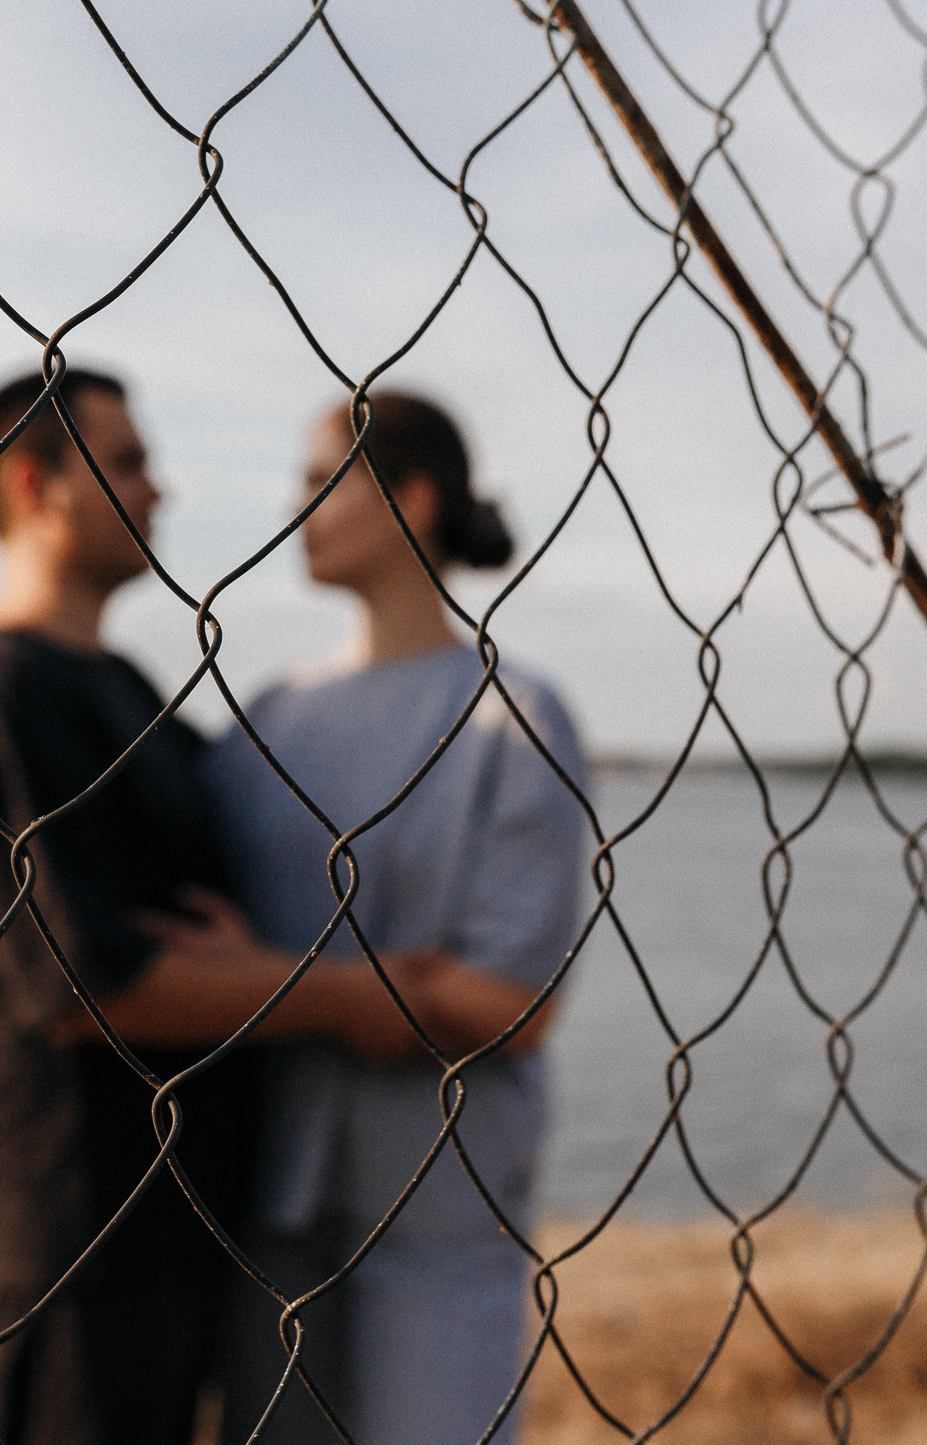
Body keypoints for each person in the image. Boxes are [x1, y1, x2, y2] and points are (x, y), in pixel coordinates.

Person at [0, 365, 437, 1445]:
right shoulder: (6, 695)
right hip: (74, 1239)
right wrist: (344, 997)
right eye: (129, 461)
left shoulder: (124, 690)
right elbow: (89, 982)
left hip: (179, 1232)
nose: (161, 492)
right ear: (35, 484)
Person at [211, 391, 591, 1445]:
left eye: (317, 478)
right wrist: (383, 991)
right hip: (262, 1206)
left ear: (410, 497)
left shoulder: (510, 716)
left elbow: (509, 1003)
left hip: (441, 1217)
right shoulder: (266, 714)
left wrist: (261, 981)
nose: (297, 509)